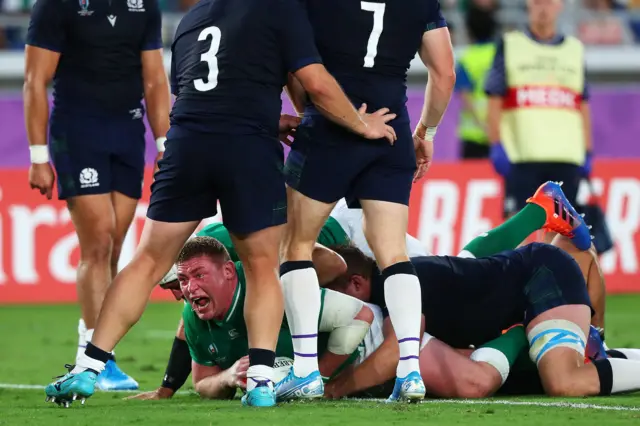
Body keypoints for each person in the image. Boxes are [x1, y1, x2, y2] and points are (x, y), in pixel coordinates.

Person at [44, 0, 396, 408]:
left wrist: (267, 118)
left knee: (146, 261)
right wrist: (359, 122)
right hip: (246, 149)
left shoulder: (191, 20)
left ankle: (89, 365)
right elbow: (315, 83)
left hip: (188, 144)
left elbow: (200, 93)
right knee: (265, 264)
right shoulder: (280, 11)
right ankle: (262, 380)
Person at [278, 0, 456, 402]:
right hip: (392, 129)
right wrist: (425, 133)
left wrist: (309, 112)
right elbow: (444, 74)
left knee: (295, 246)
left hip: (330, 127)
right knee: (393, 253)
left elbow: (291, 61)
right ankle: (410, 370)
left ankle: (305, 370)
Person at [324, 187, 640, 399]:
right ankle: (593, 336)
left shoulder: (392, 289)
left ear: (355, 284)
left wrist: (337, 387)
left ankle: (591, 335)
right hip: (533, 279)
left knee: (564, 382)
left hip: (540, 280)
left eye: (338, 294)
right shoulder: (395, 275)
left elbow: (396, 352)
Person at [24, 0, 172, 391]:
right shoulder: (56, 6)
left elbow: (155, 78)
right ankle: (97, 359)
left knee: (114, 246)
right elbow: (35, 79)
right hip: (77, 130)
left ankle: (88, 351)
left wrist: (163, 144)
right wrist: (38, 156)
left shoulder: (143, 6)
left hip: (127, 132)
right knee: (99, 239)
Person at [165, 236, 373, 400]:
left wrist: (318, 378)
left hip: (373, 352)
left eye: (199, 275)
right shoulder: (193, 316)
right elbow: (202, 383)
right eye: (183, 280)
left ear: (228, 271)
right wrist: (228, 377)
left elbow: (359, 316)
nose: (189, 289)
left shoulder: (269, 285)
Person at [485, 0, 593, 233]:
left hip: (566, 156)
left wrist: (587, 150)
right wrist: (496, 144)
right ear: (528, 5)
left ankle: (550, 271)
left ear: (560, 5)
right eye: (537, 1)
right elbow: (494, 99)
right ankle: (515, 272)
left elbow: (582, 104)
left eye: (549, 2)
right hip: (522, 155)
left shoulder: (575, 49)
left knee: (559, 232)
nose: (543, 7)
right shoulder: (510, 45)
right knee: (516, 230)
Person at [455, 4, 498, 159]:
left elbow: (466, 97)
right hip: (498, 132)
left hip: (473, 135)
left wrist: (482, 127)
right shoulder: (500, 55)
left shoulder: (467, 59)